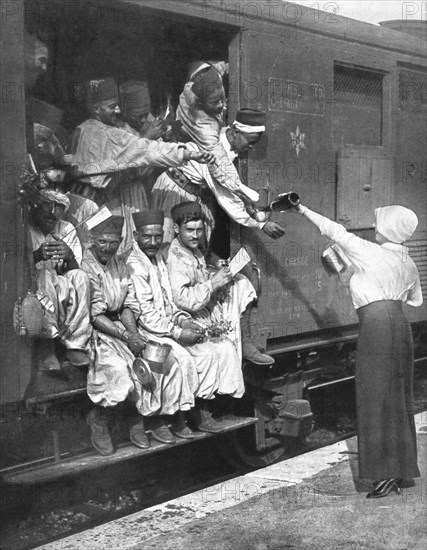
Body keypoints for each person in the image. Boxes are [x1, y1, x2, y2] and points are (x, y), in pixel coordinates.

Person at [295, 202, 422, 498]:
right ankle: (400, 471)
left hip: (376, 329)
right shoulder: (408, 262)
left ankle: (381, 476)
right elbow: (414, 300)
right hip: (400, 327)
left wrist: (300, 209)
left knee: (373, 398)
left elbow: (332, 229)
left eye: (379, 224)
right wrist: (358, 279)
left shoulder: (369, 251)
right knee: (398, 398)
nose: (375, 228)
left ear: (387, 229)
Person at [81, 215, 195, 455]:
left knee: (155, 362)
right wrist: (126, 336)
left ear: (121, 240)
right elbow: (94, 315)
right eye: (102, 242)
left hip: (124, 327)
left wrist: (133, 334)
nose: (108, 247)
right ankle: (99, 420)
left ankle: (143, 419)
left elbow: (128, 305)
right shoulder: (86, 265)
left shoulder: (119, 264)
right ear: (92, 239)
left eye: (113, 242)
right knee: (119, 371)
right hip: (98, 332)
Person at [127, 209, 248, 432]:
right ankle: (178, 414)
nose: (153, 242)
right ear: (136, 237)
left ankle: (203, 405)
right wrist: (178, 331)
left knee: (215, 350)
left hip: (168, 324)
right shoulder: (136, 265)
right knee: (188, 357)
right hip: (149, 329)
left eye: (156, 236)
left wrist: (183, 321)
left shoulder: (156, 261)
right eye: (147, 237)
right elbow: (148, 315)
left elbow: (169, 303)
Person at [69, 77, 213, 205]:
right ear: (96, 109)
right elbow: (145, 151)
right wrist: (188, 154)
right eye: (112, 106)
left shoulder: (84, 129)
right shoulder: (106, 133)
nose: (117, 110)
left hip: (92, 201)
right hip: (95, 202)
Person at [152, 108, 286, 243]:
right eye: (250, 142)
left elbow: (228, 182)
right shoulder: (216, 151)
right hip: (175, 190)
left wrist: (244, 198)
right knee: (168, 242)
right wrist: (260, 225)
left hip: (191, 191)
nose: (251, 148)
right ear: (235, 132)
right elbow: (226, 197)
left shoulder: (224, 135)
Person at [167, 202, 275, 368]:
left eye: (199, 230)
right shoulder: (176, 257)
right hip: (188, 314)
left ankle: (245, 342)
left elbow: (197, 274)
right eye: (189, 230)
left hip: (202, 301)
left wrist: (214, 270)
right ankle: (237, 348)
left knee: (240, 281)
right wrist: (213, 283)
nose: (195, 236)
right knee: (224, 341)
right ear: (176, 229)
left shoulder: (191, 248)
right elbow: (182, 300)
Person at [176, 65, 260, 204]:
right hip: (181, 184)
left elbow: (217, 69)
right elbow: (220, 162)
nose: (222, 105)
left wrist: (227, 66)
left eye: (222, 98)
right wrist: (242, 191)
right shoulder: (204, 127)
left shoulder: (204, 83)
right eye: (215, 102)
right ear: (201, 103)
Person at [28, 187, 92, 371]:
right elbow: (15, 267)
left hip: (60, 289)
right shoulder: (25, 228)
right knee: (44, 276)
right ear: (36, 206)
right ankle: (46, 345)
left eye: (59, 206)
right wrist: (38, 255)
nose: (53, 212)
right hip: (33, 291)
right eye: (47, 205)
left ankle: (75, 345)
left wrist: (69, 256)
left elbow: (74, 269)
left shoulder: (66, 228)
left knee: (80, 276)